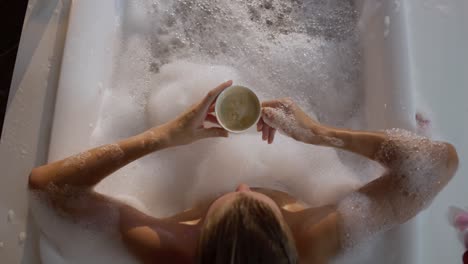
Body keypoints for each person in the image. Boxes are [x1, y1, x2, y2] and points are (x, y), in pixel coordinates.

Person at [28, 81, 459, 264]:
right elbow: (440, 163)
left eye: (229, 198)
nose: (242, 182)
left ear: (200, 237)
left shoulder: (176, 249)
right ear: (288, 237)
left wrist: (163, 136)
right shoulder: (316, 237)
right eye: (255, 198)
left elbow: (49, 187)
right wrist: (320, 134)